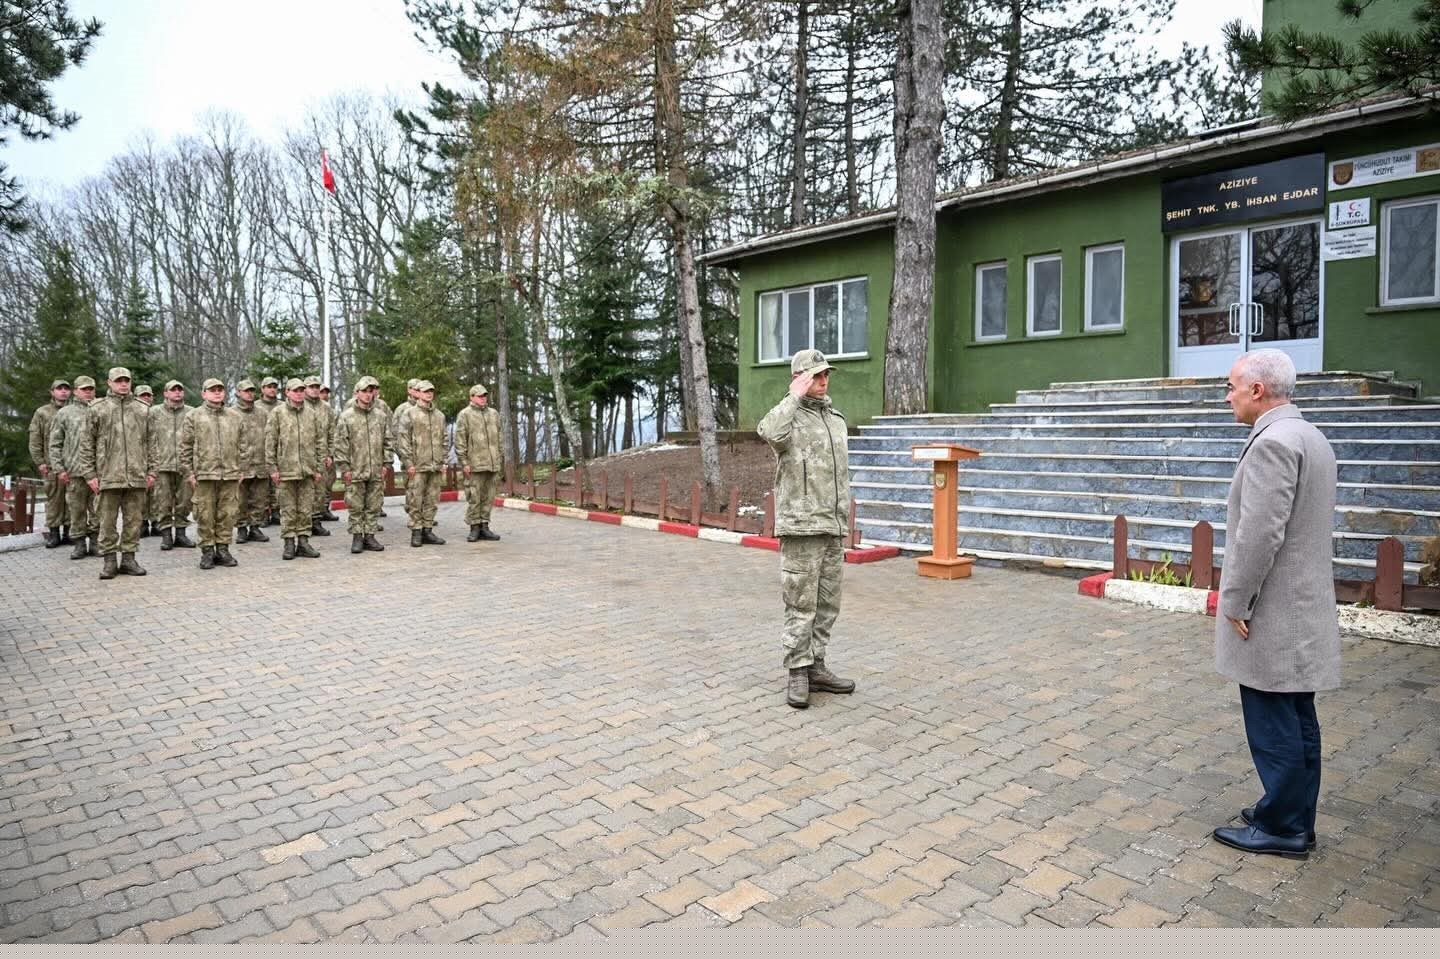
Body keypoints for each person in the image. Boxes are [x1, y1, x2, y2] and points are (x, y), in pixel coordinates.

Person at [1212, 349, 1340, 860]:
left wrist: (1237, 601)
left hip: (1273, 606)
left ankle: (1282, 827)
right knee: (1297, 715)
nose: (1228, 396)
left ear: (1257, 391)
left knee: (1272, 719)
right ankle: (1291, 816)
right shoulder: (1310, 436)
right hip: (1301, 604)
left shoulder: (1273, 443)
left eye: (1232, 387)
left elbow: (1259, 534)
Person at [756, 348, 856, 709]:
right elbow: (767, 431)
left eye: (825, 374)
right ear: (799, 379)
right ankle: (797, 670)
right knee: (800, 604)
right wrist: (794, 396)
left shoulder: (836, 419)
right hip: (801, 527)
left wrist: (843, 518)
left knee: (827, 602)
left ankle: (817, 665)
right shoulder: (788, 418)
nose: (823, 380)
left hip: (831, 525)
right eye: (815, 375)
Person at [79, 367, 156, 580]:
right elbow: (86, 445)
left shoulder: (143, 410)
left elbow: (152, 443)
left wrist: (152, 472)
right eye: (118, 381)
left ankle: (129, 559)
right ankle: (110, 561)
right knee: (106, 521)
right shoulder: (97, 409)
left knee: (134, 520)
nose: (123, 384)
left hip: (136, 476)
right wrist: (90, 475)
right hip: (107, 476)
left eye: (126, 380)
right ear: (109, 383)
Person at [182, 378, 247, 569]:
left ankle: (223, 549)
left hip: (230, 474)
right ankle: (207, 551)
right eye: (212, 390)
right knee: (205, 514)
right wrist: (189, 474)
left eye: (220, 389)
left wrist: (241, 469)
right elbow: (185, 447)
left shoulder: (234, 417)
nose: (217, 393)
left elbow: (243, 446)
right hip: (204, 475)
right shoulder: (194, 416)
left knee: (227, 514)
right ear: (204, 394)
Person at [265, 378, 324, 560]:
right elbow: (270, 442)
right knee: (288, 509)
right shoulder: (277, 413)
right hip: (285, 471)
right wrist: (272, 468)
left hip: (307, 470)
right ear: (287, 392)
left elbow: (320, 442)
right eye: (295, 390)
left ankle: (304, 542)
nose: (299, 393)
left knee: (306, 509)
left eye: (301, 390)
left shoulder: (312, 413)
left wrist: (319, 467)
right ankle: (289, 543)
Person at [333, 376, 392, 554]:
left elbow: (388, 441)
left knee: (374, 505)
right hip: (355, 469)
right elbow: (340, 444)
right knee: (356, 505)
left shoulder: (380, 416)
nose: (368, 395)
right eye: (364, 391)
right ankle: (357, 537)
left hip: (375, 470)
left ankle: (370, 536)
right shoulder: (347, 417)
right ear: (357, 393)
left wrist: (386, 464)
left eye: (370, 391)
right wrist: (345, 468)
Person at [48, 375, 99, 559]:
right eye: (84, 389)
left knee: (97, 510)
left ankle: (95, 542)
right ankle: (79, 544)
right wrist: (59, 469)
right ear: (76, 391)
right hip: (74, 471)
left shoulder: (101, 409)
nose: (88, 392)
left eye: (91, 389)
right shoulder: (65, 413)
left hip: (98, 472)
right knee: (76, 510)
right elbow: (55, 443)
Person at [395, 380, 446, 547]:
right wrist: (408, 462)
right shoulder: (409, 414)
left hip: (435, 466)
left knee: (432, 500)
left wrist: (443, 460)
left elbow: (445, 439)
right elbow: (403, 441)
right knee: (415, 500)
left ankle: (428, 530)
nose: (429, 394)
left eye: (431, 391)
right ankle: (416, 531)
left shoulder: (439, 416)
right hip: (417, 466)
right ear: (419, 393)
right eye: (425, 391)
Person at [149, 380, 195, 550]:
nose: (177, 392)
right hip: (162, 465)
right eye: (173, 390)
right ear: (165, 393)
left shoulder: (192, 413)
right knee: (162, 502)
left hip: (185, 465)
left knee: (185, 501)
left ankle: (181, 534)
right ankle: (166, 535)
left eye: (179, 390)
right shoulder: (153, 413)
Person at [454, 383, 503, 542]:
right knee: (474, 497)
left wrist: (499, 457)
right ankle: (474, 527)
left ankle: (485, 526)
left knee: (488, 497)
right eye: (480, 396)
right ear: (472, 397)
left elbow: (500, 437)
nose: (483, 398)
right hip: (474, 464)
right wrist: (464, 462)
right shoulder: (465, 415)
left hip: (492, 463)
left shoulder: (494, 414)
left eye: (484, 395)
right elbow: (460, 440)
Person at [29, 378, 72, 547]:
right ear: (52, 392)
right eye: (59, 389)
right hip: (51, 465)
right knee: (54, 500)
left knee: (71, 500)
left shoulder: (73, 411)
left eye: (66, 389)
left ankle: (69, 533)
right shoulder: (43, 413)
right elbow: (35, 439)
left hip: (72, 464)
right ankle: (54, 534)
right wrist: (39, 461)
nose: (63, 391)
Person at [232, 380, 270, 544]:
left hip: (261, 462)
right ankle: (241, 528)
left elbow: (270, 436)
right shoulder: (231, 413)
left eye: (252, 391)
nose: (250, 394)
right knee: (240, 499)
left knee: (259, 499)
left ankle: (255, 527)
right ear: (238, 392)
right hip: (241, 464)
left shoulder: (262, 413)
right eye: (246, 391)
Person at [303, 376, 335, 536]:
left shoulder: (326, 408)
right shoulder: (300, 406)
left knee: (320, 490)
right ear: (305, 388)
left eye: (317, 387)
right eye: (311, 387)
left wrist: (330, 453)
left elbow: (332, 432)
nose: (315, 389)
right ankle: (304, 523)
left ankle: (316, 520)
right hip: (303, 456)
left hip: (322, 455)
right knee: (305, 491)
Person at [257, 376, 282, 526]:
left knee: (277, 483)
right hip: (260, 450)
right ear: (263, 389)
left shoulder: (282, 406)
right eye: (269, 386)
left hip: (280, 450)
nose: (272, 389)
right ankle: (264, 513)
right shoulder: (256, 406)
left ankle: (277, 511)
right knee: (263, 485)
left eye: (274, 386)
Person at [135, 384, 156, 536]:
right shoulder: (134, 413)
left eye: (148, 395)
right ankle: (142, 523)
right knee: (140, 496)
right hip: (138, 460)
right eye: (143, 395)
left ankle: (156, 523)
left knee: (156, 495)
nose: (146, 398)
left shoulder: (156, 413)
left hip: (156, 458)